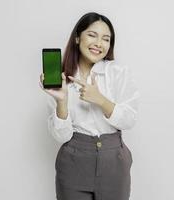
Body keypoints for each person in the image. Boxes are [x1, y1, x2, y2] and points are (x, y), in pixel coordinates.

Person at [39, 12, 140, 200]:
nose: (99, 43)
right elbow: (62, 136)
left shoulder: (119, 73)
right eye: (92, 35)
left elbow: (129, 119)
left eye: (106, 39)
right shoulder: (61, 79)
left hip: (114, 163)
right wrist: (62, 101)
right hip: (73, 162)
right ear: (77, 38)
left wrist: (100, 100)